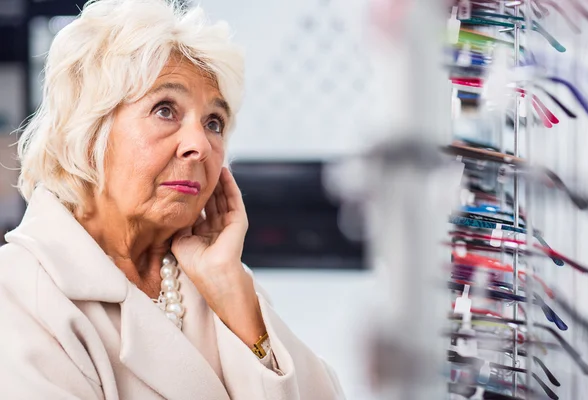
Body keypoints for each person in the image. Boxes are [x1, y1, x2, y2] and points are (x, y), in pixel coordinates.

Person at [0, 0, 344, 398]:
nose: (200, 145)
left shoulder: (217, 277)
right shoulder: (19, 291)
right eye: (165, 110)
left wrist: (233, 293)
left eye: (214, 122)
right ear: (90, 130)